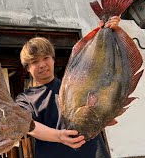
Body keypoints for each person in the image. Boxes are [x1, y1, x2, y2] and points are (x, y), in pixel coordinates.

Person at [15, 17, 121, 158]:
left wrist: (105, 30)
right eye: (34, 62)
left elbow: (101, 74)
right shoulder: (25, 99)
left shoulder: (76, 83)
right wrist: (59, 136)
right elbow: (27, 124)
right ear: (27, 68)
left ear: (53, 59)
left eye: (45, 58)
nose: (42, 65)